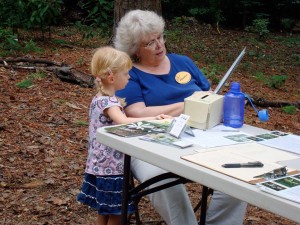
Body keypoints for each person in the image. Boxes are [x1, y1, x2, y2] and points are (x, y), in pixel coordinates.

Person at [114, 9, 248, 225]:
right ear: (135, 50)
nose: (159, 45)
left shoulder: (183, 62)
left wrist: (209, 102)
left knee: (238, 176)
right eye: (150, 42)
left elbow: (208, 94)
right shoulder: (130, 73)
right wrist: (189, 105)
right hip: (150, 144)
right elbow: (136, 113)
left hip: (202, 136)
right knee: (165, 183)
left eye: (160, 37)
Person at [77, 46, 170, 225]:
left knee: (104, 210)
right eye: (126, 74)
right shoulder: (109, 102)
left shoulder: (98, 98)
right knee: (117, 213)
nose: (129, 77)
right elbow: (123, 121)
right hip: (112, 168)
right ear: (111, 77)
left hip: (99, 166)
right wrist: (155, 120)